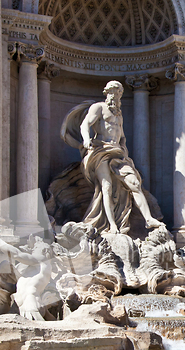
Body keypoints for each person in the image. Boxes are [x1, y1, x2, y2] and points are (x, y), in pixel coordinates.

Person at [61, 80, 163, 234]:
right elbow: (85, 124)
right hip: (100, 151)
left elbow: (121, 137)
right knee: (106, 187)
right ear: (106, 93)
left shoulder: (118, 115)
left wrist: (124, 152)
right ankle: (112, 226)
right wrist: (86, 139)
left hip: (118, 153)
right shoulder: (99, 107)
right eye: (112, 92)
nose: (115, 96)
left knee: (134, 183)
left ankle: (148, 218)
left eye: (118, 93)